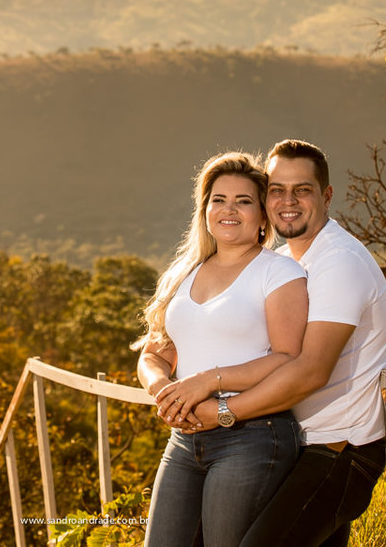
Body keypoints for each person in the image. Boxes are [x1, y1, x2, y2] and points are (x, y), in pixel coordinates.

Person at [155, 139, 386, 547]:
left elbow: (309, 370)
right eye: (278, 190)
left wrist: (221, 411)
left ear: (327, 195)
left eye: (303, 190)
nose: (288, 201)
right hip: (297, 440)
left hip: (337, 449)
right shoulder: (290, 260)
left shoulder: (337, 263)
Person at [135, 150, 309, 547]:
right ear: (205, 209)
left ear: (263, 215)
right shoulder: (184, 273)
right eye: (219, 200)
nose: (229, 210)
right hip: (185, 437)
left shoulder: (280, 272)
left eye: (244, 201)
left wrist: (206, 382)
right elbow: (154, 354)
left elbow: (287, 357)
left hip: (252, 435)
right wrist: (165, 391)